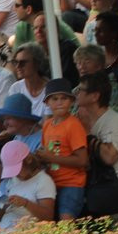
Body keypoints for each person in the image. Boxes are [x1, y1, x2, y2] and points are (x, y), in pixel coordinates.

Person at [74, 73, 118, 212]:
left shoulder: (114, 121)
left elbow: (109, 157)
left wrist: (86, 134)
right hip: (98, 187)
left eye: (80, 90)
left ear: (94, 96)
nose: (76, 93)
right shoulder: (81, 120)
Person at [33, 79, 88, 221]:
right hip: (51, 183)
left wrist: (51, 158)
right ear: (47, 103)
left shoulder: (73, 125)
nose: (59, 102)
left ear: (71, 101)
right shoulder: (47, 125)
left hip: (71, 184)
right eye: (55, 99)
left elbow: (82, 160)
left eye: (64, 98)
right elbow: (46, 154)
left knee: (66, 222)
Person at [0, 148, 55, 229]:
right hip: (5, 230)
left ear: (28, 160)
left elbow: (48, 218)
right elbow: (5, 216)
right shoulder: (14, 180)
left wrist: (26, 203)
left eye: (17, 169)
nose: (15, 174)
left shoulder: (43, 181)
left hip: (25, 232)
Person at [33, 13, 79, 86]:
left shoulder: (67, 48)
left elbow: (63, 78)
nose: (38, 31)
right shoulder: (35, 52)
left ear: (55, 29)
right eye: (35, 28)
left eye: (43, 27)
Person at [7, 42, 50, 118]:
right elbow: (11, 118)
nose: (18, 66)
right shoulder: (15, 88)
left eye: (23, 63)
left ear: (37, 63)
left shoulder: (50, 90)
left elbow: (49, 124)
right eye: (16, 62)